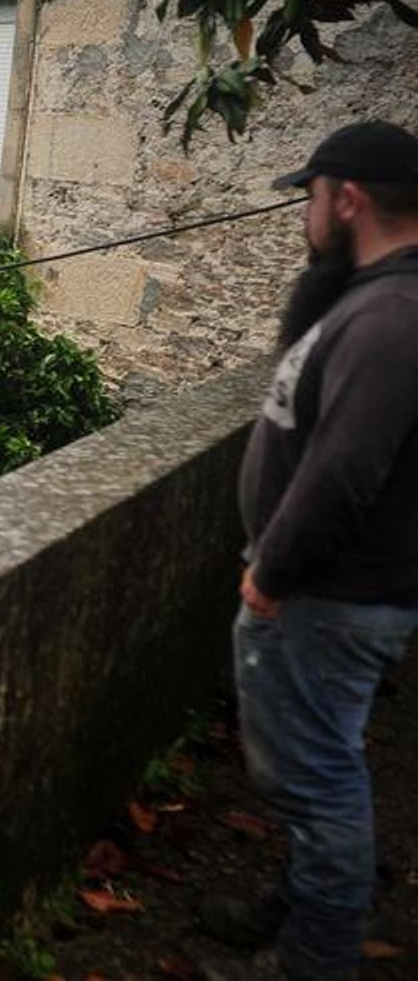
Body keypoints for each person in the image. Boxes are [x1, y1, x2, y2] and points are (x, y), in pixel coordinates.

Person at [212, 120, 418, 980]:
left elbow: (346, 470)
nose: (306, 216)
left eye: (311, 197)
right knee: (316, 768)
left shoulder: (392, 318)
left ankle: (310, 963)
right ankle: (298, 908)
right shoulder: (375, 300)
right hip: (333, 591)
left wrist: (272, 570)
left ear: (349, 198)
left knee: (323, 783)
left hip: (330, 595)